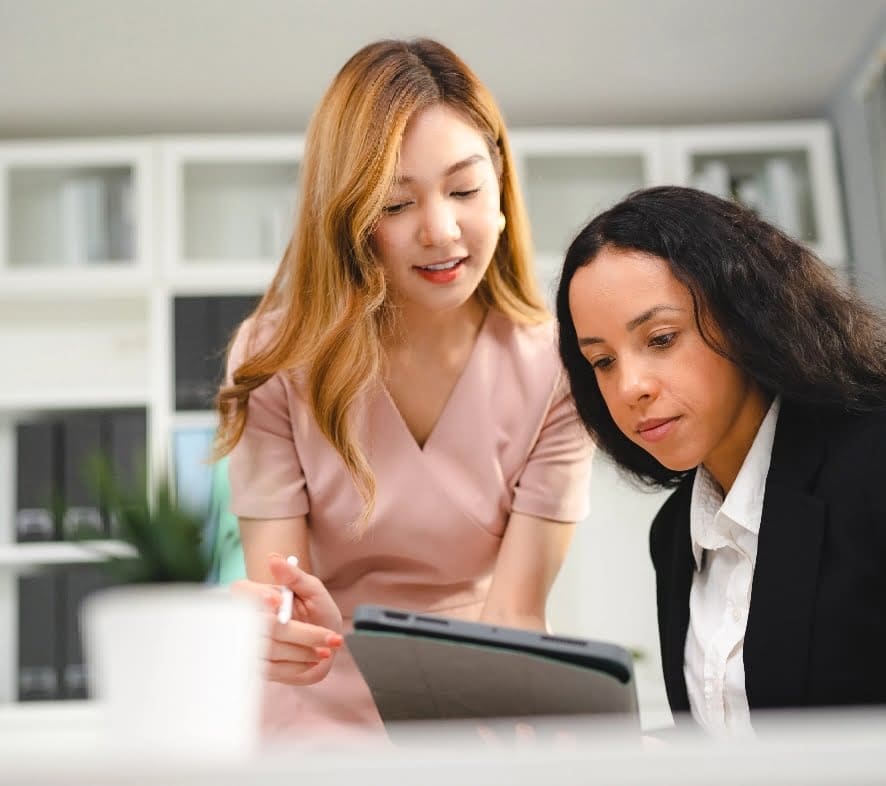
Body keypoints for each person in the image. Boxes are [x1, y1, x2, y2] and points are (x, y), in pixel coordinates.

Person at [213, 38, 594, 739]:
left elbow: (515, 615)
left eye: (465, 189)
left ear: (502, 186)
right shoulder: (272, 360)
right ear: (349, 220)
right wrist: (281, 624)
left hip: (483, 693)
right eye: (395, 203)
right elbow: (282, 591)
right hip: (318, 700)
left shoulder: (559, 371)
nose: (441, 230)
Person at [556, 185, 886, 737]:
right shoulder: (673, 534)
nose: (628, 386)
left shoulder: (872, 466)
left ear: (746, 316)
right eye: (602, 360)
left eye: (660, 339)